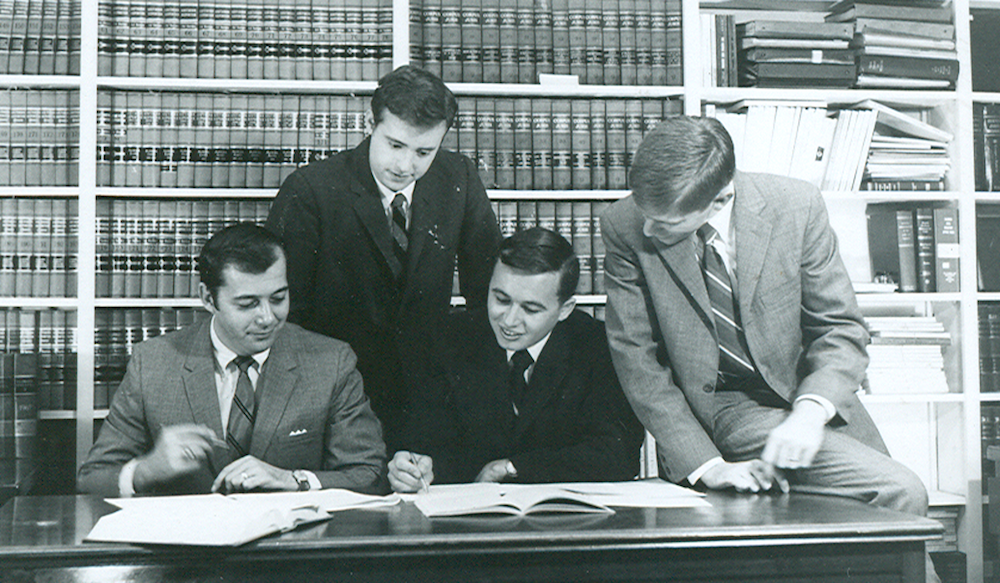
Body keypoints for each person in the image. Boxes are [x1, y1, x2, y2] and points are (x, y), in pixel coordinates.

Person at [602, 116, 933, 518]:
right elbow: (636, 360)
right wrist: (710, 465)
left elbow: (840, 328)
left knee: (897, 503)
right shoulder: (624, 225)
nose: (649, 230)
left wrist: (810, 412)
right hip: (724, 406)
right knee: (901, 491)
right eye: (644, 213)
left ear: (720, 200)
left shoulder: (797, 205)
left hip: (809, 398)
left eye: (668, 223)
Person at [265, 65, 502, 450]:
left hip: (432, 394)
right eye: (395, 145)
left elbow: (488, 288)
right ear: (370, 124)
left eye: (425, 151)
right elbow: (288, 315)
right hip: (338, 398)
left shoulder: (458, 177)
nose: (406, 166)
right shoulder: (311, 189)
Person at [77, 223, 387, 497]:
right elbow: (92, 479)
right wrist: (146, 470)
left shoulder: (330, 361)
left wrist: (294, 480)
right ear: (208, 299)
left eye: (278, 298)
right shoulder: (153, 362)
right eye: (248, 304)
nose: (268, 318)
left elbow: (368, 473)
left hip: (290, 552)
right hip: (188, 556)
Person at [388, 227, 644, 492]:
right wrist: (413, 467)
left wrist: (512, 467)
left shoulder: (599, 347)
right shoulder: (448, 340)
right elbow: (426, 442)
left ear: (565, 309)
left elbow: (617, 455)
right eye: (501, 299)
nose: (509, 321)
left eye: (530, 309)